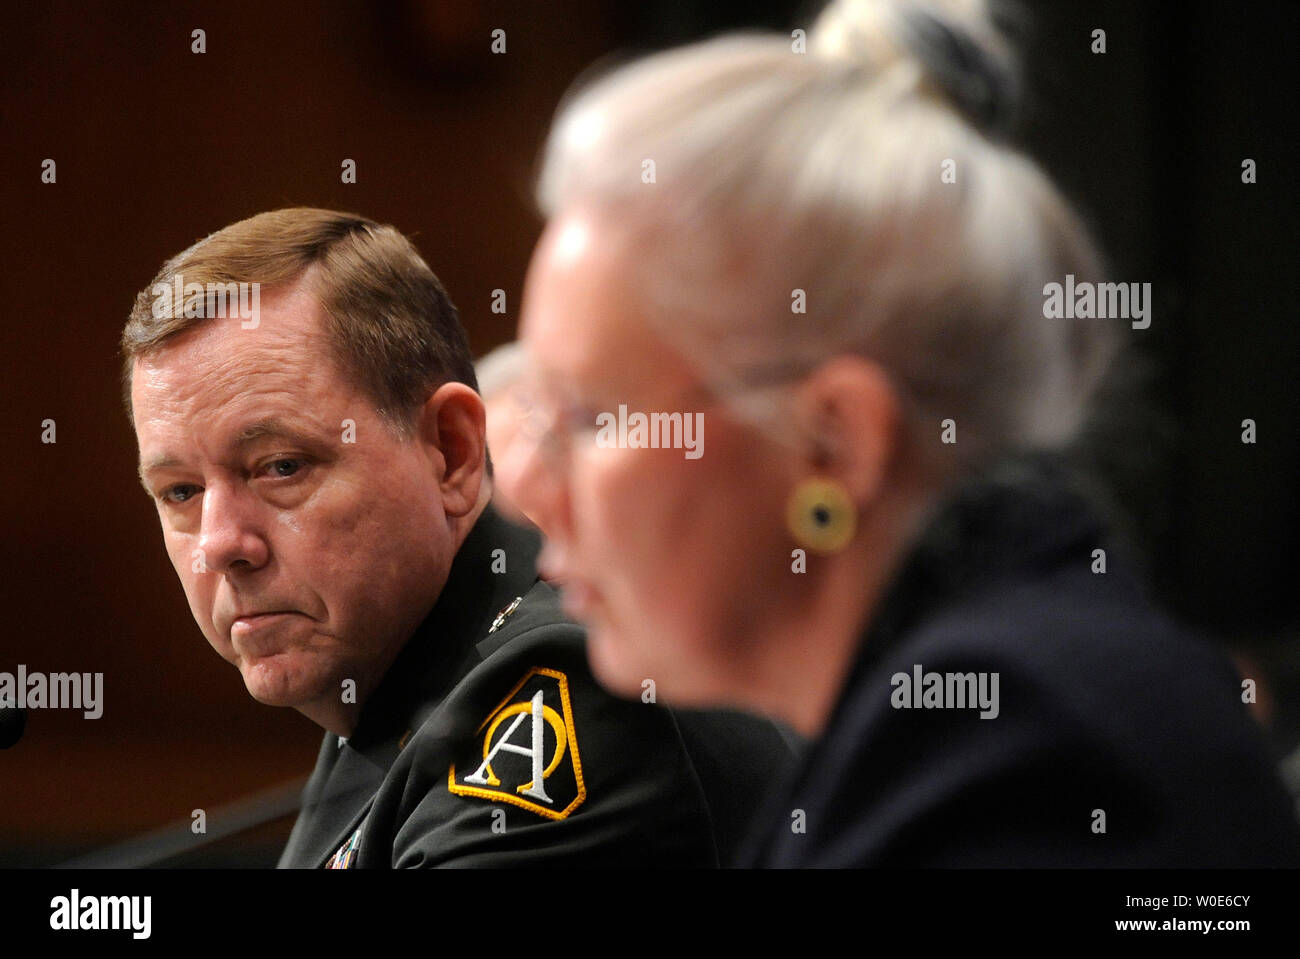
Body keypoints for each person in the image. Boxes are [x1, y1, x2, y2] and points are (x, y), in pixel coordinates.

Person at [496, 0, 1300, 866]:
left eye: (589, 418)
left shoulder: (1022, 767)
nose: (531, 486)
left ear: (832, 444)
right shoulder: (952, 723)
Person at [122, 207, 791, 867]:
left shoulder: (568, 690)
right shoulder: (388, 686)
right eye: (180, 491)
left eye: (282, 467)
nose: (219, 542)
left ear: (452, 451)